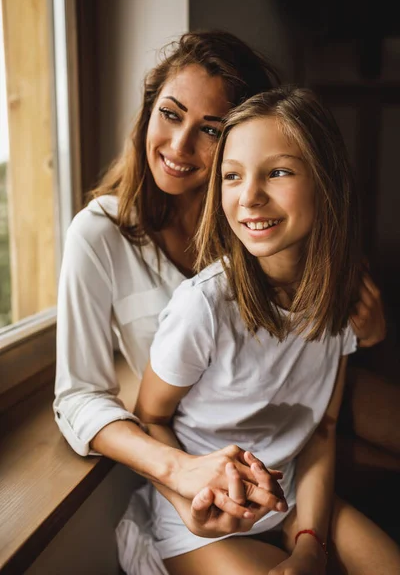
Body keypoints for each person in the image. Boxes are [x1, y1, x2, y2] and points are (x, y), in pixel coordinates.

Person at [53, 29, 396, 540]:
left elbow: (332, 313)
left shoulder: (260, 219)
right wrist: (177, 472)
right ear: (148, 113)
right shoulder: (99, 234)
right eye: (170, 114)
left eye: (211, 130)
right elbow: (80, 396)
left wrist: (371, 329)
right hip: (208, 435)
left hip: (306, 401)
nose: (179, 144)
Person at [135, 86, 400, 574]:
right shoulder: (204, 306)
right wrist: (192, 506)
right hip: (203, 518)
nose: (250, 196)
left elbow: (322, 429)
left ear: (326, 183)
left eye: (277, 172)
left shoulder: (339, 295)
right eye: (233, 176)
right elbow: (150, 418)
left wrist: (310, 545)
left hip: (295, 498)